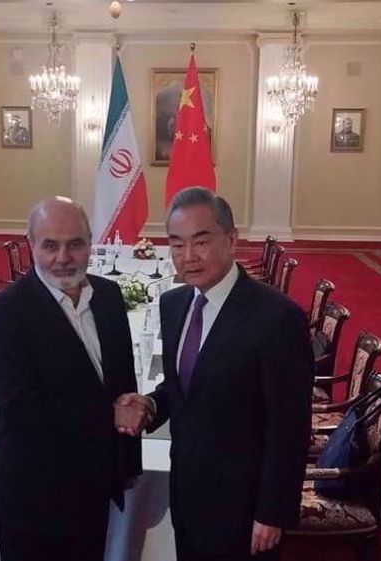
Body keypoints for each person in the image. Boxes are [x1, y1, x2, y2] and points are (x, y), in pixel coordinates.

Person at [116, 187, 314, 561]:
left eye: (201, 241)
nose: (188, 257)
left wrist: (271, 512)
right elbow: (183, 386)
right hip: (188, 493)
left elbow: (289, 427)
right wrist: (151, 405)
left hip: (244, 506)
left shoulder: (276, 318)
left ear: (232, 239)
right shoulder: (174, 304)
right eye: (176, 244)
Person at [0, 196, 142, 561]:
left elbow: (122, 382)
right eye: (50, 245)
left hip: (94, 485)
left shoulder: (109, 296)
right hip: (34, 496)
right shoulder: (4, 314)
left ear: (90, 244)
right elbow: (22, 408)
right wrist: (110, 416)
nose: (63, 257)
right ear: (31, 245)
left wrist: (127, 461)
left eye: (75, 244)